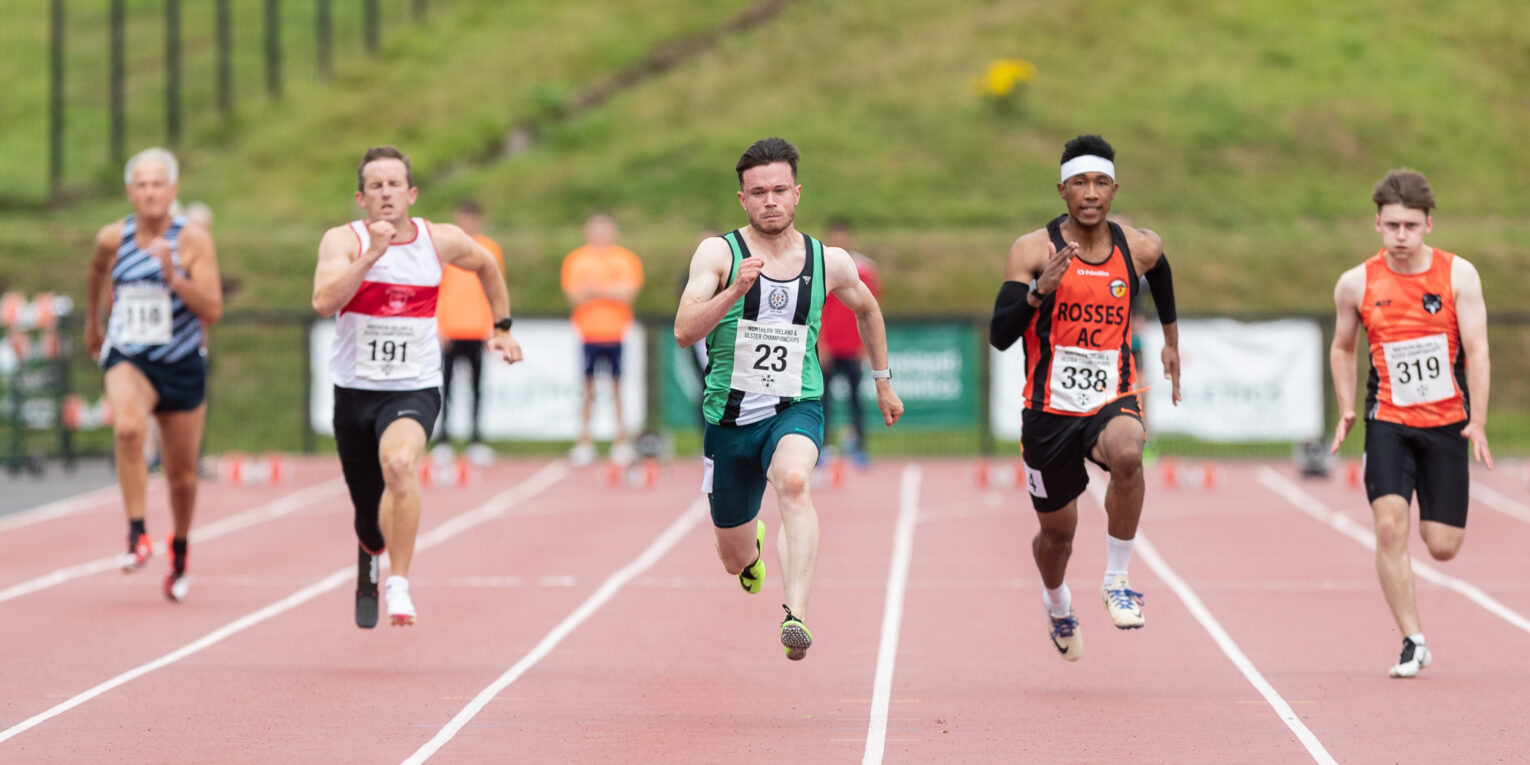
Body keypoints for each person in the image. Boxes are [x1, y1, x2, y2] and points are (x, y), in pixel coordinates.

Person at [675, 137, 904, 660]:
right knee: (733, 559)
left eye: (780, 190)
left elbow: (868, 310)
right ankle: (751, 552)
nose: (770, 201)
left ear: (797, 194)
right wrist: (732, 293)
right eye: (758, 193)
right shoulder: (718, 253)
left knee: (796, 482)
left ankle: (795, 615)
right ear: (742, 200)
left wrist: (882, 380)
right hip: (729, 419)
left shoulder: (829, 260)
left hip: (794, 405)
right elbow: (685, 331)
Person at [989, 134, 1181, 662]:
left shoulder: (1137, 246)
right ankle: (1057, 602)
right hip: (1048, 412)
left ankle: (1117, 579)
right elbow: (1000, 335)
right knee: (1058, 539)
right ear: (1062, 190)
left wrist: (1171, 341)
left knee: (1128, 452)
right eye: (1079, 183)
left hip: (1109, 397)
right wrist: (1037, 292)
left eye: (1100, 183)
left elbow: (1159, 270)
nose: (1090, 193)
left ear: (1114, 189)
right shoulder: (1033, 250)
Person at [312, 146, 522, 628]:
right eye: (375, 186)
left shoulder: (440, 240)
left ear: (411, 194)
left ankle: (399, 583)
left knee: (401, 466)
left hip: (413, 387)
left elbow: (487, 265)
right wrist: (372, 254)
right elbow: (324, 302)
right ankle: (370, 549)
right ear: (361, 198)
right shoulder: (341, 242)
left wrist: (503, 325)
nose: (385, 193)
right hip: (355, 391)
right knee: (369, 517)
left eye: (393, 184)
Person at [1328, 168, 1492, 678]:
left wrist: (1480, 420)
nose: (1401, 236)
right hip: (1388, 423)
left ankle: (1434, 498)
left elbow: (1479, 350)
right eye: (1393, 225)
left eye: (1411, 226)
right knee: (1388, 525)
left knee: (1442, 546)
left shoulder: (1457, 275)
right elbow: (1342, 347)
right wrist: (1346, 407)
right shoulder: (1357, 282)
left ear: (1428, 226)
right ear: (1377, 223)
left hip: (1447, 424)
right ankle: (1412, 638)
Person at [84, 147, 223, 603]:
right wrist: (92, 324)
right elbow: (96, 271)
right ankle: (137, 532)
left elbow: (213, 308)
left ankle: (178, 547)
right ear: (130, 191)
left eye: (157, 183)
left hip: (181, 364)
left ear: (173, 190)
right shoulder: (113, 237)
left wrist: (173, 275)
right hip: (130, 356)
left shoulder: (193, 240)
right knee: (127, 428)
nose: (149, 191)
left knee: (181, 476)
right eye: (141, 184)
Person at [561, 213, 644, 465]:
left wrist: (596, 290)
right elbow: (574, 296)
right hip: (588, 334)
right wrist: (610, 291)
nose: (600, 235)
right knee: (587, 389)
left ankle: (621, 442)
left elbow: (628, 294)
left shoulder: (626, 259)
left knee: (618, 389)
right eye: (596, 230)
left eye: (604, 229)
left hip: (616, 334)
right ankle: (584, 442)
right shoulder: (576, 260)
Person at [434, 199, 506, 465]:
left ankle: (476, 440)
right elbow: (436, 288)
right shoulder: (445, 247)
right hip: (451, 329)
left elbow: (496, 289)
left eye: (472, 218)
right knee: (446, 388)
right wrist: (439, 326)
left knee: (477, 388)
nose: (468, 223)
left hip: (477, 329)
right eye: (464, 217)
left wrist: (495, 327)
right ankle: (443, 440)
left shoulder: (490, 249)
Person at [817, 218, 882, 469]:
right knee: (823, 403)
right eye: (836, 236)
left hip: (853, 348)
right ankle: (821, 449)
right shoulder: (820, 265)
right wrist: (820, 344)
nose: (840, 240)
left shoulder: (864, 268)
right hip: (829, 349)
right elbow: (816, 308)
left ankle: (860, 449)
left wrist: (866, 346)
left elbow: (871, 309)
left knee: (857, 401)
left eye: (844, 236)